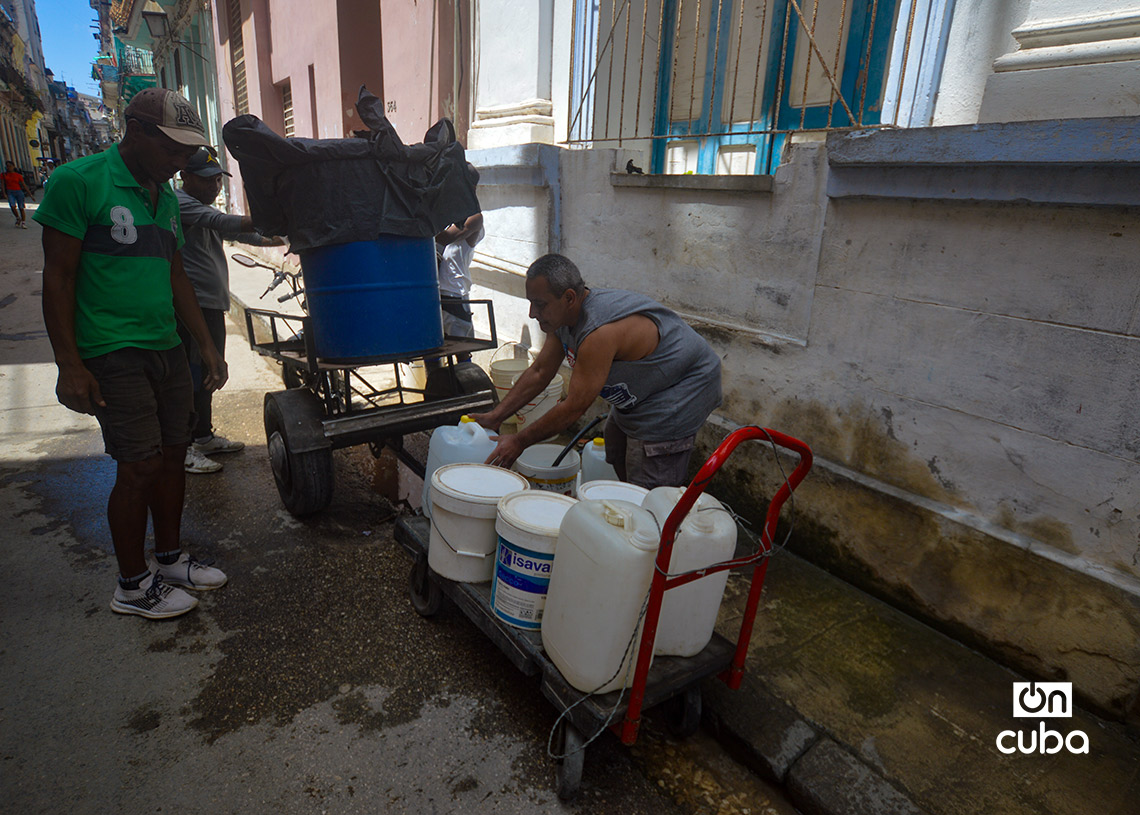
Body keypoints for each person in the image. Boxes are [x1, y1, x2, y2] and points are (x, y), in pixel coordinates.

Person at [37, 87, 229, 620]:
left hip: (166, 346)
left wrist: (207, 346)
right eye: (171, 149)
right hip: (112, 351)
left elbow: (175, 275)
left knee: (173, 456)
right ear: (136, 130)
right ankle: (131, 583)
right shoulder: (78, 182)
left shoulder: (164, 196)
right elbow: (58, 279)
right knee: (139, 465)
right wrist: (69, 365)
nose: (179, 163)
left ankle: (168, 560)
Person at [472, 253, 722, 489]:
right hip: (644, 392)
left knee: (650, 482)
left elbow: (574, 407)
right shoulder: (562, 320)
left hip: (682, 389)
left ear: (569, 298)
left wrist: (519, 441)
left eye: (540, 304)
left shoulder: (598, 332)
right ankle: (629, 504)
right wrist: (497, 416)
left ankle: (653, 522)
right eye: (531, 303)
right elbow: (539, 371)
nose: (532, 313)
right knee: (615, 446)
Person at [176, 146, 283, 474]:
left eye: (218, 181)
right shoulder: (180, 204)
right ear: (186, 178)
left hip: (212, 304)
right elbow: (221, 220)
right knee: (192, 376)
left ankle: (203, 435)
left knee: (210, 373)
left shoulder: (200, 205)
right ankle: (183, 447)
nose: (215, 187)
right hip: (192, 307)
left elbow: (242, 233)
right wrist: (274, 215)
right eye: (207, 181)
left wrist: (280, 238)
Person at [4, 160, 33, 228]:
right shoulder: (4, 175)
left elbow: (24, 185)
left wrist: (30, 194)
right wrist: (4, 193)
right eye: (7, 166)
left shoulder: (18, 176)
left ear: (13, 167)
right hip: (10, 192)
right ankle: (17, 217)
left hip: (18, 192)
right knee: (12, 206)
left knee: (21, 207)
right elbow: (2, 185)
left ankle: (23, 222)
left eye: (10, 166)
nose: (9, 168)